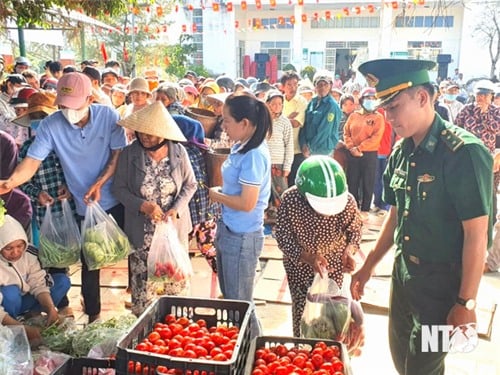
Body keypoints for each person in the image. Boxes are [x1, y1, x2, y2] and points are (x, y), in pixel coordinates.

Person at [351, 58, 493, 375]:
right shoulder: (402, 152)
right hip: (404, 279)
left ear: (422, 98)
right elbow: (396, 214)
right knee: (401, 357)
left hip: (443, 288)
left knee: (423, 367)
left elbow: (477, 235)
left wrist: (465, 303)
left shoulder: (463, 153)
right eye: (385, 108)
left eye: (395, 107)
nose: (388, 117)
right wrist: (369, 265)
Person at [0, 72, 127, 324]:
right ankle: (90, 311)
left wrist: (100, 182)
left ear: (90, 99)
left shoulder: (109, 117)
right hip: (80, 202)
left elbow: (117, 155)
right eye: (61, 105)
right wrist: (10, 182)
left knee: (113, 253)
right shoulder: (51, 125)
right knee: (87, 257)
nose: (66, 111)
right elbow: (32, 163)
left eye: (72, 106)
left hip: (113, 196)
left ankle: (114, 309)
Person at [113, 102, 196, 315]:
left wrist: (176, 208)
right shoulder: (129, 154)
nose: (144, 137)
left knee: (174, 284)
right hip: (142, 234)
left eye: (150, 134)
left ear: (162, 133)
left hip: (172, 232)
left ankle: (175, 326)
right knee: (144, 288)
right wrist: (142, 205)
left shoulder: (179, 153)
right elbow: (119, 189)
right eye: (141, 133)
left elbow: (190, 184)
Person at [208, 92, 272, 339]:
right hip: (230, 229)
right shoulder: (242, 147)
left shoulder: (254, 155)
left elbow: (247, 203)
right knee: (233, 299)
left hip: (243, 236)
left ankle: (255, 349)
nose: (223, 125)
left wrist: (218, 196)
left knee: (240, 305)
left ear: (244, 123)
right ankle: (245, 347)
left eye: (226, 120)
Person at [275, 156, 362, 337]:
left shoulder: (348, 202)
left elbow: (354, 231)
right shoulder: (290, 200)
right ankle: (303, 350)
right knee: (303, 312)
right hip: (299, 266)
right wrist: (307, 257)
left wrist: (350, 251)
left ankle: (329, 355)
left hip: (334, 268)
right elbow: (283, 237)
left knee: (333, 315)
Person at [0, 215, 70, 344]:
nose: (16, 253)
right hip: (7, 305)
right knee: (10, 293)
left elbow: (38, 282)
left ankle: (32, 315)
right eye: (8, 248)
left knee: (62, 282)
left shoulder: (29, 252)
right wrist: (20, 328)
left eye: (20, 246)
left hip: (26, 300)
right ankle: (11, 326)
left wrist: (51, 309)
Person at [455, 79, 500, 273]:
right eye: (479, 94)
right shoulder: (466, 110)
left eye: (486, 94)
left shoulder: (497, 113)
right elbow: (454, 131)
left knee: (488, 201)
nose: (481, 98)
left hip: (489, 164)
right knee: (465, 197)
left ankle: (485, 240)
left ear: (492, 96)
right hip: (466, 162)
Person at [172, 114, 219, 272]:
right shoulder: (203, 150)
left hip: (189, 214)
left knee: (178, 251)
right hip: (207, 213)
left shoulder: (180, 152)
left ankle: (178, 284)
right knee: (210, 249)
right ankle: (227, 282)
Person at [343, 87, 385, 219]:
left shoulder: (378, 118)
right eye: (368, 98)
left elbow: (376, 137)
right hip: (352, 154)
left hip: (369, 154)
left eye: (373, 99)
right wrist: (351, 147)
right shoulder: (354, 115)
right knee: (352, 182)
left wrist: (360, 148)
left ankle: (365, 210)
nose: (370, 101)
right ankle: (353, 210)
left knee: (368, 183)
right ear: (362, 100)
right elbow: (346, 132)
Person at [264, 90, 294, 219]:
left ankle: (282, 219)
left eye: (280, 104)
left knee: (280, 191)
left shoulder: (285, 122)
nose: (277, 106)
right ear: (268, 104)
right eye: (273, 103)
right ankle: (267, 216)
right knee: (264, 191)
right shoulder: (263, 121)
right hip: (264, 162)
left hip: (279, 163)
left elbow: (289, 145)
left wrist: (287, 166)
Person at [299, 70, 342, 158]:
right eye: (319, 85)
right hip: (308, 150)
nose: (322, 87)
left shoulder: (332, 106)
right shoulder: (312, 103)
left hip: (323, 151)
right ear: (315, 86)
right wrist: (303, 144)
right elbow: (304, 125)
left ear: (330, 86)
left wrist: (309, 148)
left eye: (325, 84)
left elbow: (324, 131)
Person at [280, 71, 308, 187]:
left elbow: (296, 123)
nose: (293, 87)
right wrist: (288, 119)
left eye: (295, 84)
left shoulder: (301, 102)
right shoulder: (278, 101)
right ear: (283, 87)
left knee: (294, 185)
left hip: (296, 150)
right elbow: (271, 121)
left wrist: (281, 119)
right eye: (289, 85)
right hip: (279, 150)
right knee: (278, 185)